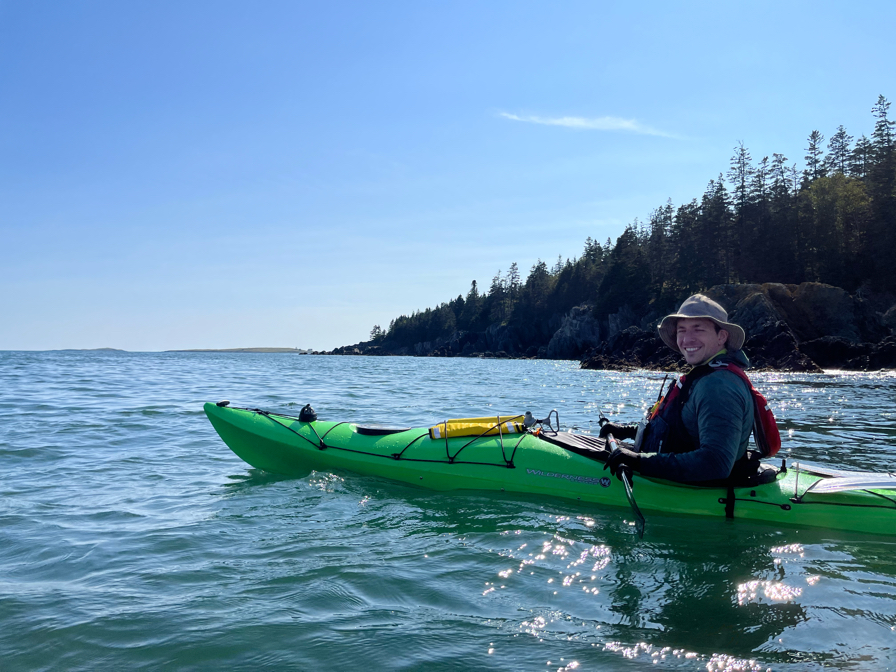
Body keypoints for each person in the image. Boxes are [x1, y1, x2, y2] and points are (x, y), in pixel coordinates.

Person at [599, 294, 754, 484]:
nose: (687, 339)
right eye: (682, 330)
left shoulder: (719, 386)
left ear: (722, 336)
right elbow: (679, 430)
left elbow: (716, 463)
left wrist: (638, 462)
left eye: (698, 329)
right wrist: (628, 431)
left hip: (699, 494)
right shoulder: (706, 374)